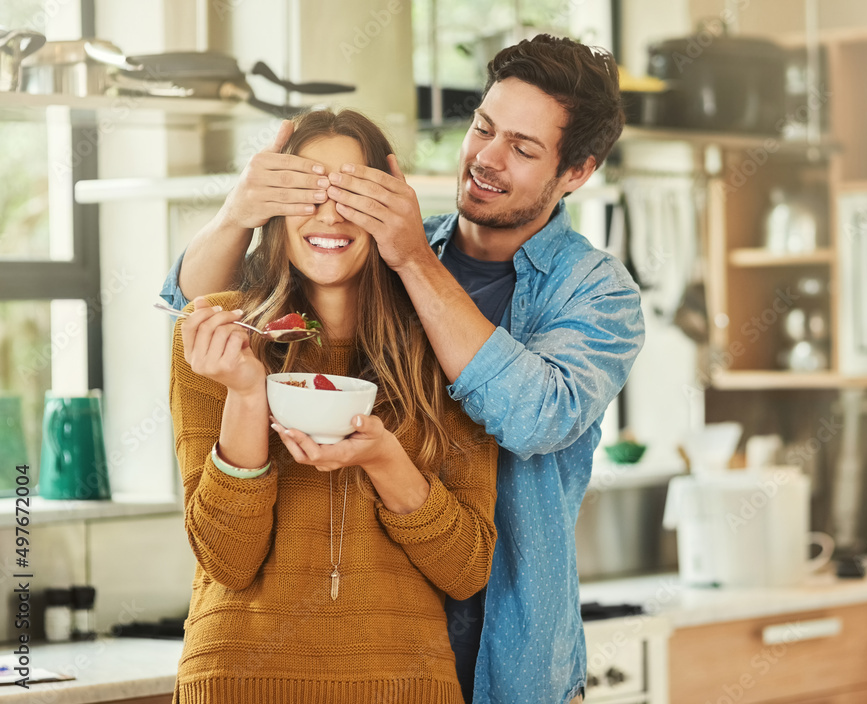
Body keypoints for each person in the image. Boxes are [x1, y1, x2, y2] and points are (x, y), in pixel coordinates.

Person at [162, 35, 644, 704]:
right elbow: (198, 308)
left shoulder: (594, 291)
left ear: (577, 172)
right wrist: (240, 213)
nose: (487, 159)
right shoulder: (383, 254)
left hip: (509, 657)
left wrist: (414, 259)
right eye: (483, 128)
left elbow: (534, 418)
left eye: (524, 149)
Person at [169, 108, 498, 704]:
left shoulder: (448, 343)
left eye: (353, 192)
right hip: (238, 681)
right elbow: (227, 561)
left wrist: (385, 461)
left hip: (405, 686)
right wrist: (246, 394)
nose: (328, 213)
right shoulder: (219, 331)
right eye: (306, 189)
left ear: (390, 208)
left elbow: (467, 568)